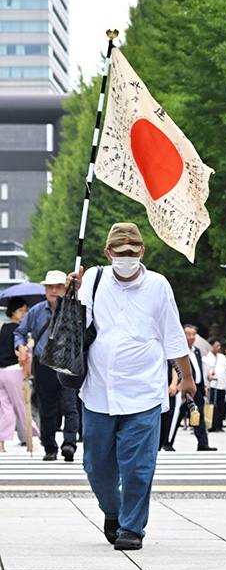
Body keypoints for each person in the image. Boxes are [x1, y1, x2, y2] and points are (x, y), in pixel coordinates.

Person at [69, 222, 196, 550]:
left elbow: (172, 334)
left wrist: (187, 376)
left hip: (144, 393)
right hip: (99, 391)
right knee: (96, 466)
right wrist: (71, 294)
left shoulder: (157, 285)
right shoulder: (93, 281)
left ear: (142, 252)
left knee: (138, 467)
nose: (125, 257)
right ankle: (113, 510)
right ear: (108, 253)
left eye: (132, 251)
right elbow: (72, 328)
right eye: (119, 252)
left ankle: (132, 528)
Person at [14, 270, 79, 462]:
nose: (53, 290)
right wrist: (21, 347)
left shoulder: (72, 309)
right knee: (46, 407)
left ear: (65, 288)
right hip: (43, 364)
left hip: (67, 362)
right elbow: (20, 332)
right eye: (50, 286)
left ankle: (69, 444)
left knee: (70, 406)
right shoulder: (36, 311)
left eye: (58, 286)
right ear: (45, 289)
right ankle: (50, 447)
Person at [0, 298, 37, 450]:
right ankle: (30, 439)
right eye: (21, 310)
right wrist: (29, 345)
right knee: (23, 405)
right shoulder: (18, 330)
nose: (24, 313)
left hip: (1, 372)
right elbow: (19, 353)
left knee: (5, 409)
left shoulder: (4, 327)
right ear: (13, 311)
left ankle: (1, 442)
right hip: (14, 371)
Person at [183, 326, 215, 452]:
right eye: (188, 334)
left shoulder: (196, 351)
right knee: (176, 416)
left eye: (193, 334)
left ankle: (203, 443)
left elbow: (199, 370)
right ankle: (167, 441)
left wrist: (203, 387)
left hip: (196, 390)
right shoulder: (181, 351)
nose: (191, 337)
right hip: (184, 390)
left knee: (198, 416)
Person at [207, 339, 226, 431]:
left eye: (219, 346)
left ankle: (219, 424)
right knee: (213, 405)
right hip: (213, 385)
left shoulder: (222, 357)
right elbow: (206, 371)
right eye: (216, 346)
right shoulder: (208, 357)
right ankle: (212, 424)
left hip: (222, 384)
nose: (218, 348)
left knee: (221, 405)